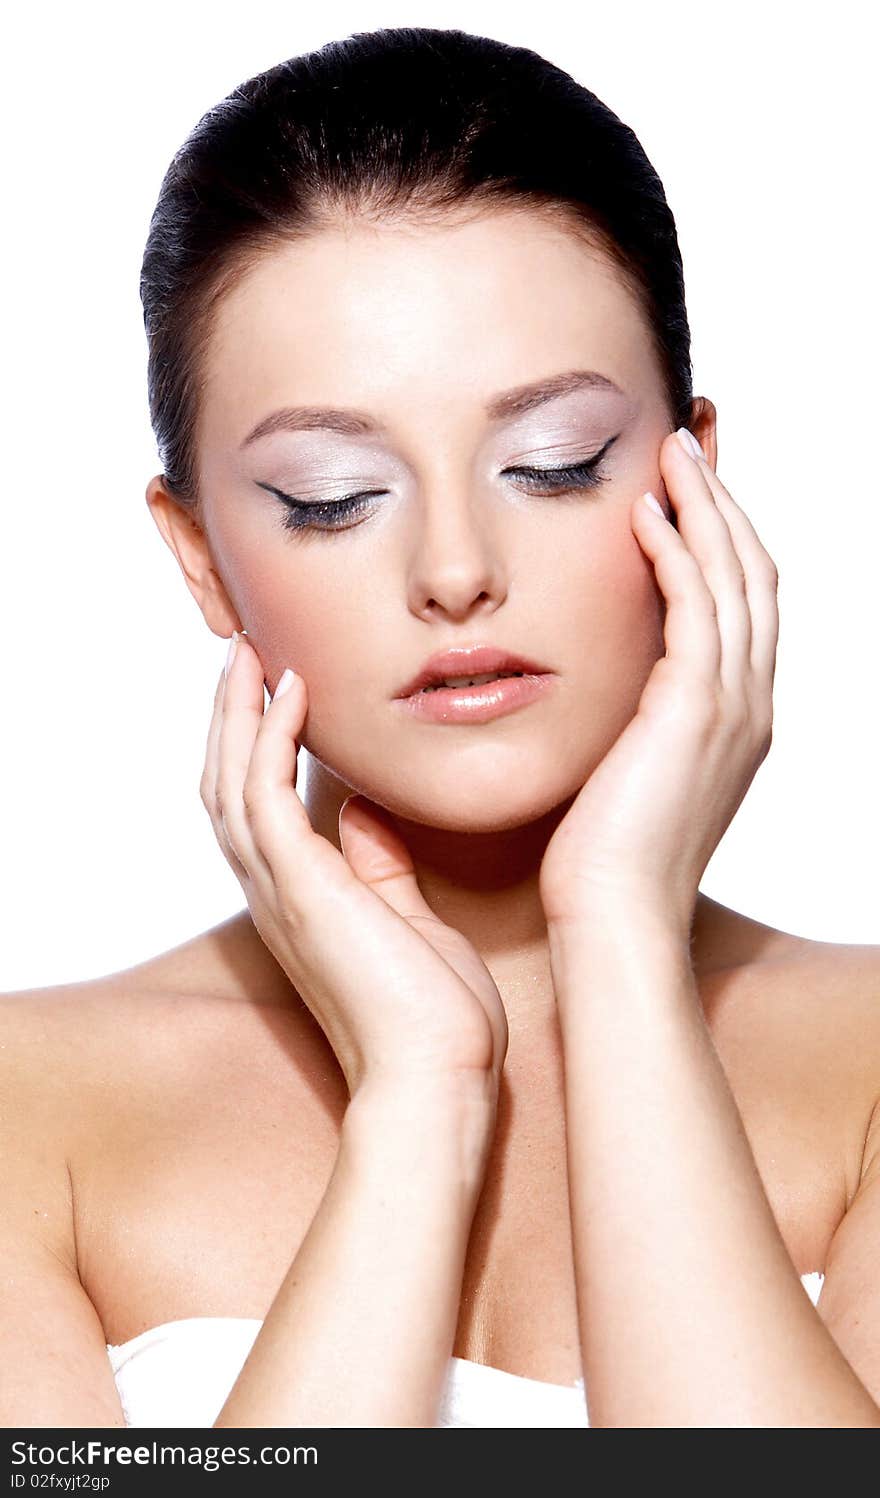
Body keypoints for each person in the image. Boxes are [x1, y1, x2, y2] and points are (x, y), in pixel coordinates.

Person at [2, 24, 878, 1431]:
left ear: (694, 478)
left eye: (554, 465)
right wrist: (417, 1098)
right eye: (335, 493)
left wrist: (621, 938)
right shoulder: (22, 1114)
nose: (456, 567)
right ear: (200, 554)